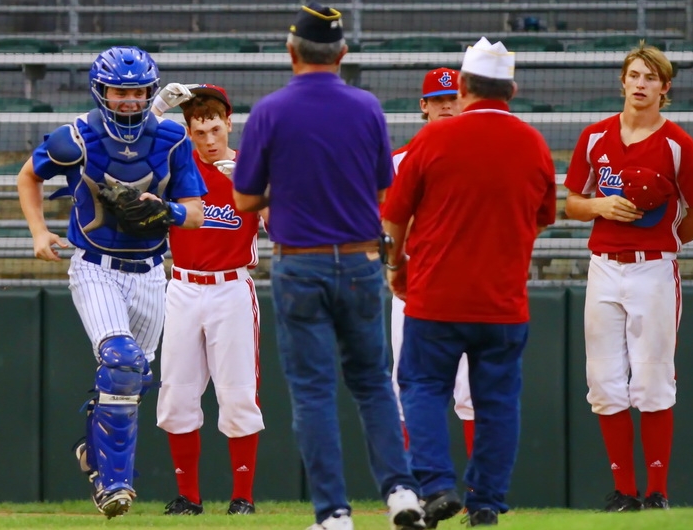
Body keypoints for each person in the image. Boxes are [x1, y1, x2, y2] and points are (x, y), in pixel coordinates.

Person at [231, 3, 426, 530]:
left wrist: (287, 190)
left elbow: (244, 199)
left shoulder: (270, 111)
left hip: (300, 266)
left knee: (314, 392)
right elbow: (384, 189)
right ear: (342, 53)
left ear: (292, 52)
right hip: (362, 261)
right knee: (373, 385)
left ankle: (334, 514)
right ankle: (402, 492)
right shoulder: (367, 107)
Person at [16, 46, 206, 518]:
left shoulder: (172, 138)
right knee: (120, 361)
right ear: (102, 91)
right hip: (96, 265)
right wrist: (39, 231)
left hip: (149, 272)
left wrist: (166, 210)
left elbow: (197, 215)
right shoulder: (77, 136)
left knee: (133, 378)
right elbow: (28, 176)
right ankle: (114, 485)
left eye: (139, 91)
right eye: (121, 91)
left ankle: (92, 449)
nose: (130, 100)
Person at [383, 37, 558, 527]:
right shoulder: (534, 143)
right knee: (498, 403)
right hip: (503, 301)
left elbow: (394, 219)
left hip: (435, 295)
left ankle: (436, 485)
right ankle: (486, 503)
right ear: (513, 88)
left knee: (420, 387)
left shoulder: (432, 140)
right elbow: (544, 214)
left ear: (461, 86)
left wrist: (396, 268)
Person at [564, 42, 693, 512]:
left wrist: (667, 242)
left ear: (665, 88)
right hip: (603, 267)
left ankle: (658, 493)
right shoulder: (594, 137)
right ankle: (623, 492)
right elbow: (570, 203)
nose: (641, 84)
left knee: (652, 381)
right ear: (622, 81)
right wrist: (599, 206)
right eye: (634, 75)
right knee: (603, 382)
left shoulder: (677, 144)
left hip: (653, 268)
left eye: (651, 77)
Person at [150, 84, 265, 516]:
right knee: (177, 394)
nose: (209, 139)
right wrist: (158, 107)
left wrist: (253, 189)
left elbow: (283, 222)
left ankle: (243, 498)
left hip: (232, 287)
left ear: (229, 123)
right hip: (181, 285)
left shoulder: (253, 166)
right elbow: (142, 144)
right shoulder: (177, 167)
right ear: (188, 131)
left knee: (237, 394)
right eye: (199, 132)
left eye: (215, 128)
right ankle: (189, 498)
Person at [387, 67, 475, 455]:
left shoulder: (483, 155)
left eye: (453, 98)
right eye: (439, 100)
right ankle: (415, 488)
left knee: (472, 392)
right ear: (424, 106)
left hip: (471, 283)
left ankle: (479, 494)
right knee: (408, 386)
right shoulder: (398, 161)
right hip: (414, 284)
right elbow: (383, 222)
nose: (447, 106)